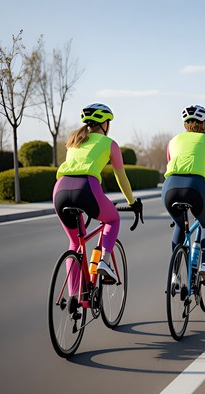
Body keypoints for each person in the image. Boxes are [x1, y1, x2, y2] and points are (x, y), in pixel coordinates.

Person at [53, 103, 138, 289]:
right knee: (113, 219)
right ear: (104, 124)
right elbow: (120, 177)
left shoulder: (74, 141)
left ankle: (74, 298)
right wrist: (132, 202)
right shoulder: (109, 144)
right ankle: (104, 262)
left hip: (59, 190)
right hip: (86, 188)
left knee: (75, 242)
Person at [162, 104, 205, 285]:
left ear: (185, 124)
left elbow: (171, 164)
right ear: (204, 123)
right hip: (194, 186)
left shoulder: (173, 141)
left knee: (179, 225)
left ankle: (175, 275)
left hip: (169, 188)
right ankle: (204, 266)